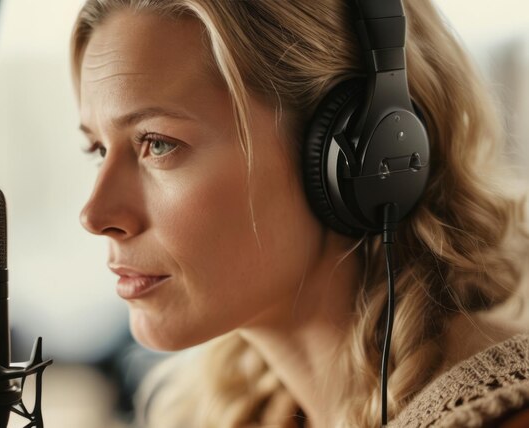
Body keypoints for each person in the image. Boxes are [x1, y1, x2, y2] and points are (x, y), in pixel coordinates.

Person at [70, 0, 529, 426]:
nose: (95, 214)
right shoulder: (226, 406)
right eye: (97, 148)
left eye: (158, 143)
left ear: (365, 151)